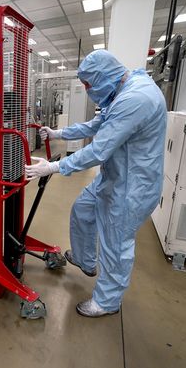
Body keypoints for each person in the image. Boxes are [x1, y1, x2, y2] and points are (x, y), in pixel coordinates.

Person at [25, 50, 166, 317]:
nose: (87, 90)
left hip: (132, 187)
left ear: (103, 77)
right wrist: (59, 133)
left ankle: (107, 301)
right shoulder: (120, 92)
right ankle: (85, 259)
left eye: (89, 84)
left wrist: (53, 167)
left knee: (115, 245)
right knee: (82, 210)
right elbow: (95, 125)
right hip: (114, 176)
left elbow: (98, 150)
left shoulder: (136, 98)